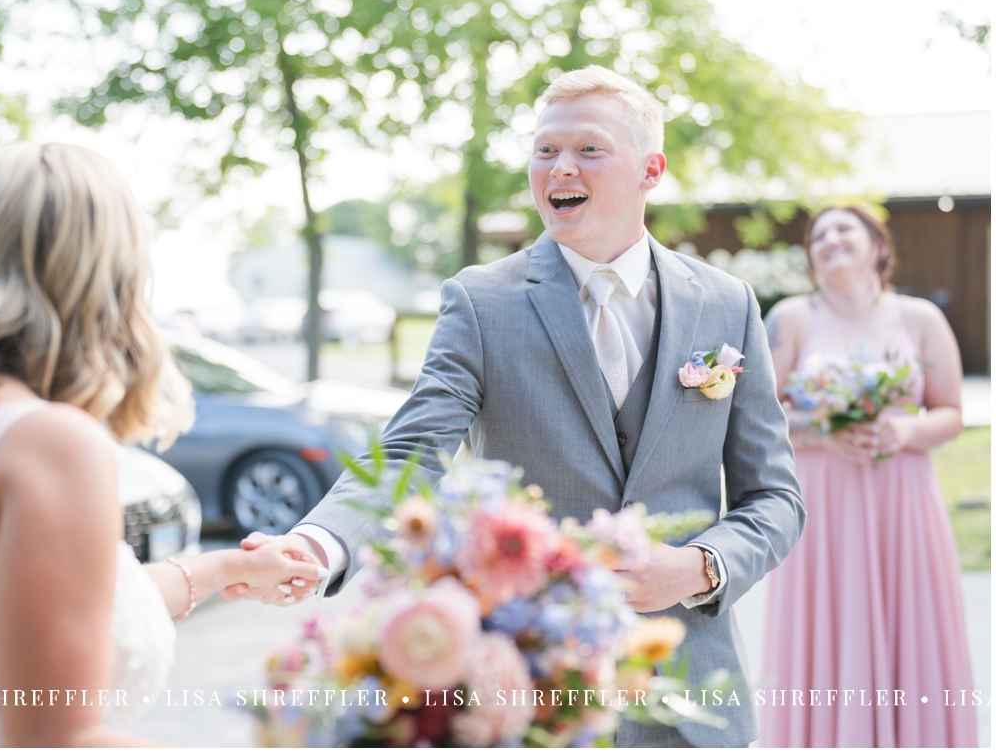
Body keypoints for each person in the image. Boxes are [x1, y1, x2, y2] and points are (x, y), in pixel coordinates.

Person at [230, 65, 806, 747]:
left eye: (589, 149)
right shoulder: (480, 302)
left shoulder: (726, 302)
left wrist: (702, 565)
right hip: (533, 692)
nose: (560, 166)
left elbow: (775, 496)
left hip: (690, 701)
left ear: (651, 170)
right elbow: (413, 452)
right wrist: (317, 543)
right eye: (544, 150)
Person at [0, 142, 325, 747]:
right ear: (107, 281)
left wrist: (224, 567)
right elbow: (58, 740)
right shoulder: (47, 442)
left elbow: (33, 609)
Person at [759, 206, 977, 747]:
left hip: (901, 500)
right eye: (817, 236)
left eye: (843, 230)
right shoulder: (792, 318)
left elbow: (951, 412)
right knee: (826, 628)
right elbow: (757, 413)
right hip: (821, 501)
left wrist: (903, 433)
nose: (828, 240)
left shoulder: (920, 317)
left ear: (878, 245)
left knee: (911, 625)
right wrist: (821, 430)